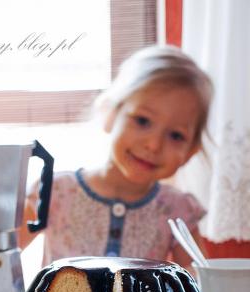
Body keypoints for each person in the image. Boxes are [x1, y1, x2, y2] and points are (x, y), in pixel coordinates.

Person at [19, 45, 212, 269]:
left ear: (190, 151)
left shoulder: (177, 210)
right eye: (142, 121)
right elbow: (2, 260)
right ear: (110, 113)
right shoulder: (55, 191)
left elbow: (201, 289)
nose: (154, 144)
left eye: (176, 135)